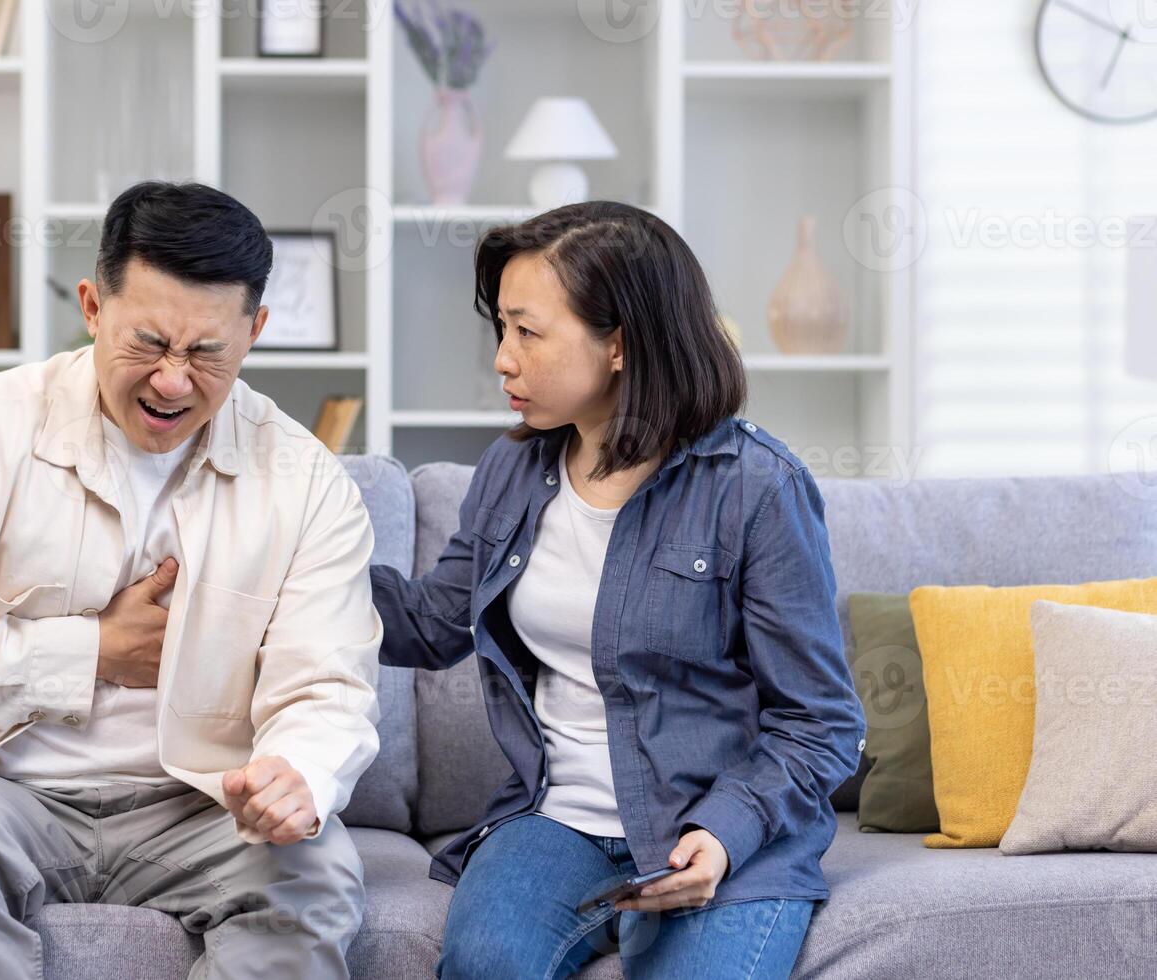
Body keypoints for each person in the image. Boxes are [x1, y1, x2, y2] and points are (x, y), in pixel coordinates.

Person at [0, 180, 383, 979]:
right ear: (92, 308)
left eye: (207, 352)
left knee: (316, 873)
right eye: (149, 343)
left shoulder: (307, 481)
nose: (173, 381)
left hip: (198, 804)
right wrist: (93, 651)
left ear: (256, 332)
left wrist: (299, 771)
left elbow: (328, 679)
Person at [370, 201, 867, 979]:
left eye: (528, 332)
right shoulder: (513, 470)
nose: (503, 358)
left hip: (708, 830)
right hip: (555, 823)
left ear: (619, 346)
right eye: (501, 328)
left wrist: (727, 833)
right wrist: (278, 573)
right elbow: (433, 622)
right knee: (484, 965)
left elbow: (820, 723)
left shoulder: (756, 489)